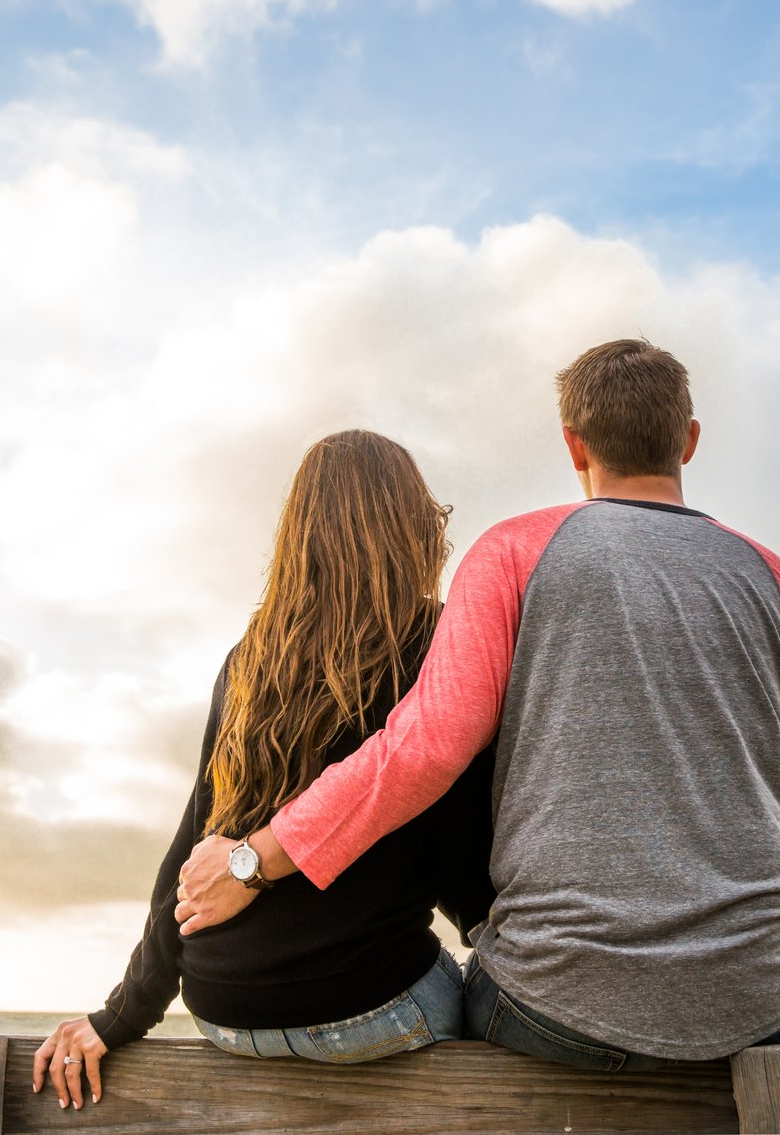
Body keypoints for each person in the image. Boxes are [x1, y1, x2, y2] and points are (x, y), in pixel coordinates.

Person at [176, 339, 780, 1070]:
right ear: (689, 440)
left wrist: (256, 860)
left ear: (574, 445)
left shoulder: (514, 553)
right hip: (761, 1003)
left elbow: (428, 747)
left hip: (556, 1007)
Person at [34, 429, 495, 1109]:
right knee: (479, 998)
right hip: (371, 1007)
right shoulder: (437, 645)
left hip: (225, 1010)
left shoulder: (251, 657)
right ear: (412, 529)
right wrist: (497, 945)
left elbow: (192, 849)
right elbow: (459, 841)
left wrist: (123, 1015)